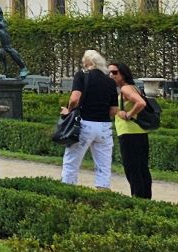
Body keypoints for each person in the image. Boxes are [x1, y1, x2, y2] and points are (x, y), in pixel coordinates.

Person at [62, 49, 118, 189]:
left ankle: (67, 194)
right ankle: (102, 195)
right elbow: (114, 110)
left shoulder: (82, 75)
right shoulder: (110, 81)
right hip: (104, 126)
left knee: (71, 163)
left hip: (84, 124)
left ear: (88, 63)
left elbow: (75, 98)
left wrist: (68, 111)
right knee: (104, 167)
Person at [110, 60, 152, 199]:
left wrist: (128, 114)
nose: (111, 75)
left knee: (132, 168)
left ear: (123, 73)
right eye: (109, 72)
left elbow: (141, 103)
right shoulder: (133, 87)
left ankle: (138, 198)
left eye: (115, 72)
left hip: (128, 133)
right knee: (142, 168)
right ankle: (145, 198)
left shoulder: (125, 89)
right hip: (140, 131)